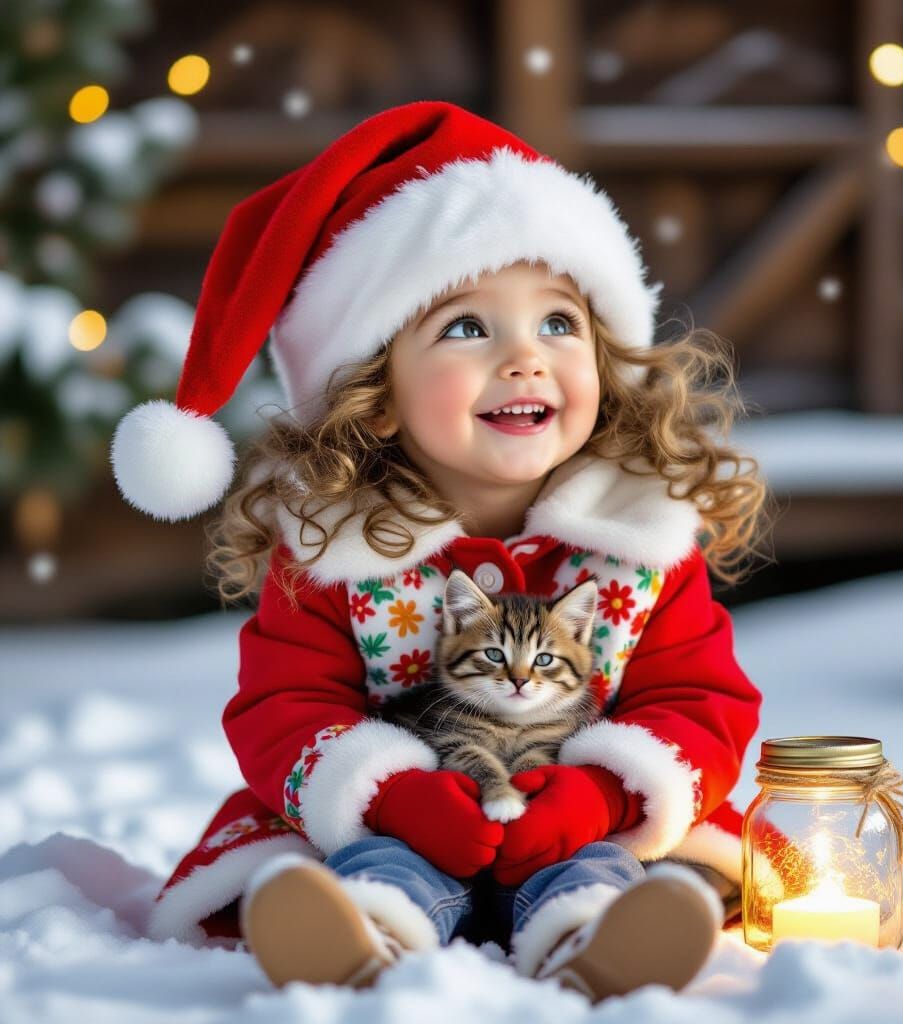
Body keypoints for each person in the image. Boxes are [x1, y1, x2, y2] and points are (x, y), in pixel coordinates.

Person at [110, 100, 771, 1002]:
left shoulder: (639, 538)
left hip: (583, 823)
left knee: (629, 864)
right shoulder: (333, 550)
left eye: (559, 323)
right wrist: (388, 795)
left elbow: (700, 700)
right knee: (374, 862)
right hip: (402, 821)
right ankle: (361, 932)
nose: (525, 358)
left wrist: (605, 795)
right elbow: (284, 705)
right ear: (376, 395)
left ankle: (602, 942)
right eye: (467, 327)